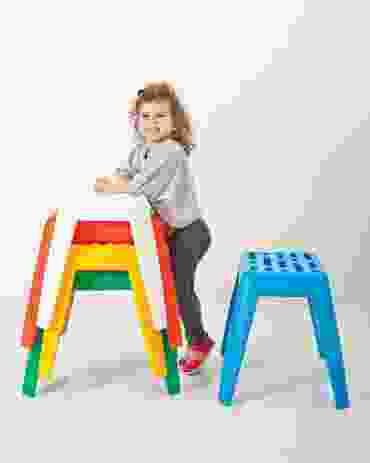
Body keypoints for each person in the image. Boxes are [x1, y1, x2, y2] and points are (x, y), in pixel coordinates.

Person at [94, 81, 214, 374]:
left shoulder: (170, 151)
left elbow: (139, 187)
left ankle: (198, 340)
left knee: (179, 285)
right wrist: (113, 182)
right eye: (145, 116)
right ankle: (176, 338)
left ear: (174, 121)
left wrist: (114, 187)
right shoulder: (142, 149)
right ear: (136, 120)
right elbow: (123, 173)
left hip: (190, 233)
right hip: (171, 232)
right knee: (165, 283)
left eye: (160, 116)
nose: (152, 123)